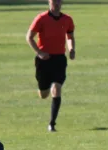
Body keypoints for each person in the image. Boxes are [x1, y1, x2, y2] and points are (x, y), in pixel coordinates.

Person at [26, 0, 76, 132]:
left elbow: (70, 36)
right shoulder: (41, 18)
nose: (57, 4)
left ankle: (52, 123)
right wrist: (39, 52)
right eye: (54, 1)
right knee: (44, 93)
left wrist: (71, 49)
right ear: (49, 2)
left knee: (56, 88)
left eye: (59, 1)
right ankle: (43, 88)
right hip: (44, 60)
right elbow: (29, 37)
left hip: (59, 59)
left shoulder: (67, 19)